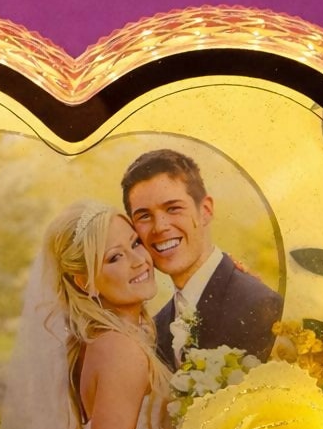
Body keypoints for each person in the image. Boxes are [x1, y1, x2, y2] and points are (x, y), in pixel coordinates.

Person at [0, 201, 183, 429]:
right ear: (85, 283)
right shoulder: (119, 349)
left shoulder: (105, 338)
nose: (138, 261)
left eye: (135, 243)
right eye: (114, 257)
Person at [121, 149, 283, 370]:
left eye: (173, 208)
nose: (160, 227)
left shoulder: (259, 305)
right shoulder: (158, 327)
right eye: (144, 216)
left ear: (205, 211)